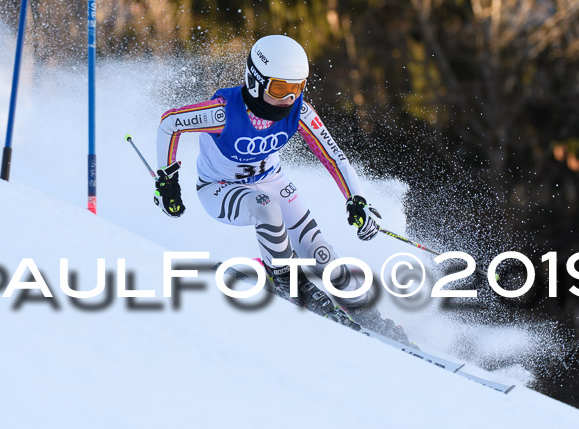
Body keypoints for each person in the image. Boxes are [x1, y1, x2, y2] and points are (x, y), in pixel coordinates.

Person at [154, 35, 408, 343]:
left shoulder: (299, 112)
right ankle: (291, 285)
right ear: (255, 81)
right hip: (220, 188)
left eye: (296, 88)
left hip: (271, 180)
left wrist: (356, 201)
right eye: (279, 88)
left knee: (322, 254)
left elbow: (335, 158)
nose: (288, 98)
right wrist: (167, 180)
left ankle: (369, 315)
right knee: (266, 208)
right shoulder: (222, 112)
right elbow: (170, 123)